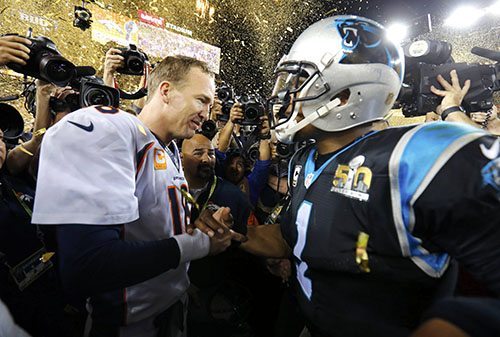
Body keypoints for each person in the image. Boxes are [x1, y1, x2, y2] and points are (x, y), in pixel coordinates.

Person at [194, 15, 500, 337]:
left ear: (343, 97)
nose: (282, 99)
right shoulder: (305, 159)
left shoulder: (410, 154)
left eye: (297, 84)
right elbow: (291, 236)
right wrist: (235, 233)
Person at [32, 55, 245, 337]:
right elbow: (88, 265)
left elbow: (145, 227)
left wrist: (190, 224)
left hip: (167, 311)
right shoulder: (109, 128)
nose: (207, 113)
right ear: (166, 91)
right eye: (201, 100)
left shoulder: (167, 147)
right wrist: (200, 244)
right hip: (127, 325)